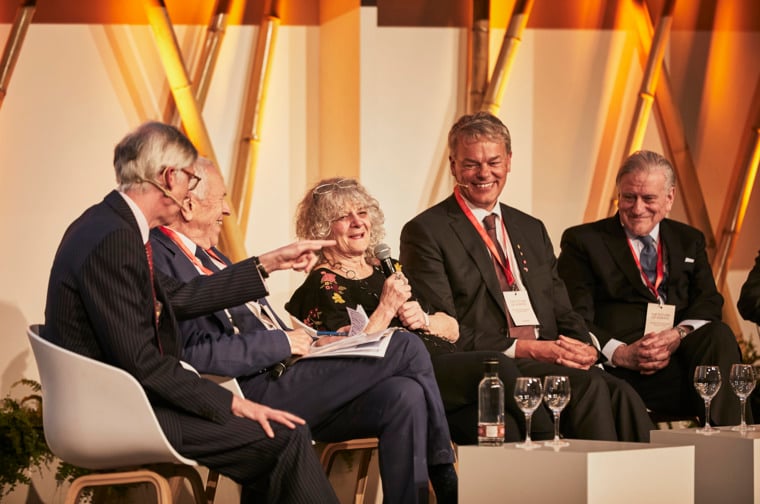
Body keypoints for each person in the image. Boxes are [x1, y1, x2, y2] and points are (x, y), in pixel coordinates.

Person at [43, 122, 341, 503]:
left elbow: (179, 297)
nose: (189, 191)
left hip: (127, 399)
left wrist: (267, 263)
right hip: (117, 411)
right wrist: (232, 402)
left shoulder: (111, 224)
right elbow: (142, 363)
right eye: (190, 178)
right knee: (283, 437)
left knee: (280, 434)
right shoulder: (114, 238)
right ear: (169, 177)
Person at [149, 160, 457, 504]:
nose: (226, 209)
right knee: (404, 345)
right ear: (189, 205)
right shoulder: (161, 259)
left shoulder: (212, 255)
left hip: (291, 371)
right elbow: (190, 352)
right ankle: (443, 468)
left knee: (404, 394)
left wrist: (322, 340)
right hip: (254, 388)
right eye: (221, 198)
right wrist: (281, 341)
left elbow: (260, 324)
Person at [399, 111, 654, 442]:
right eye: (471, 164)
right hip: (496, 364)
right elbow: (445, 329)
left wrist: (586, 348)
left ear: (508, 161)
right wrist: (532, 349)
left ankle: (640, 478)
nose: (484, 173)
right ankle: (592, 478)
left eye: (493, 162)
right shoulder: (426, 231)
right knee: (590, 389)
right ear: (453, 165)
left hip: (550, 355)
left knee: (624, 395)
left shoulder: (531, 228)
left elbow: (562, 310)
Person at [285, 176, 555, 445]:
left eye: (362, 212)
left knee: (503, 426)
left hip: (442, 369)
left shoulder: (389, 267)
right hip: (397, 378)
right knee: (496, 367)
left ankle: (515, 470)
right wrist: (386, 307)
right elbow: (349, 359)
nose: (358, 222)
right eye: (344, 216)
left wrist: (424, 320)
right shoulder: (321, 285)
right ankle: (549, 448)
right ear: (322, 229)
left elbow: (452, 328)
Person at [558, 149, 747, 426]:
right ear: (618, 194)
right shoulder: (584, 241)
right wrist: (620, 354)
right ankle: (728, 436)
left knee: (718, 334)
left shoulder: (689, 239)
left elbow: (708, 302)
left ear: (669, 198)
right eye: (628, 197)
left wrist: (678, 334)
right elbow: (573, 316)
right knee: (726, 387)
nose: (637, 209)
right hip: (623, 367)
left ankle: (727, 440)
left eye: (648, 198)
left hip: (681, 357)